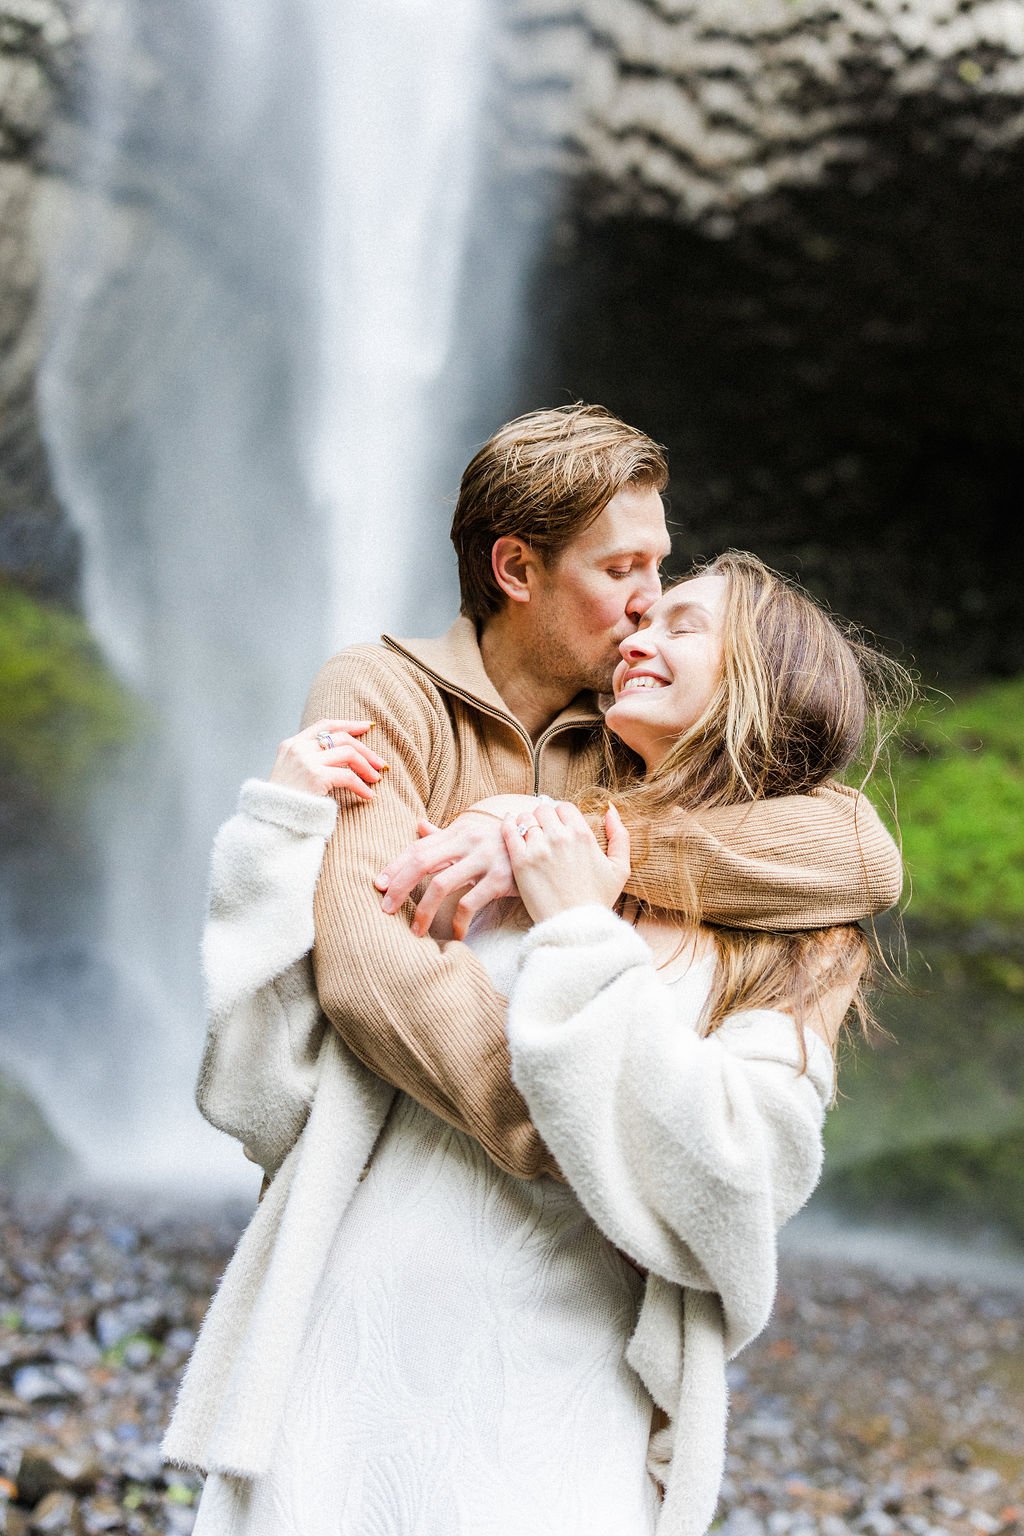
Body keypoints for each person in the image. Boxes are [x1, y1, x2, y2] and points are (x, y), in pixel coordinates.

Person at [163, 547, 909, 1536]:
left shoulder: (798, 942)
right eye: (641, 616)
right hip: (338, 1372)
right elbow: (265, 1104)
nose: (639, 632)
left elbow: (740, 1185)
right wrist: (276, 842)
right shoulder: (505, 842)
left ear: (766, 680)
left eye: (682, 624)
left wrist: (579, 933)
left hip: (558, 1405)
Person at [270, 404, 901, 1186]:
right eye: (619, 569)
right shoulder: (384, 690)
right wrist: (584, 1136)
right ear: (516, 571)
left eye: (658, 566)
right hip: (406, 1201)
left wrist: (541, 839)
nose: (648, 601)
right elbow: (373, 967)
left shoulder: (639, 727)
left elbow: (859, 855)